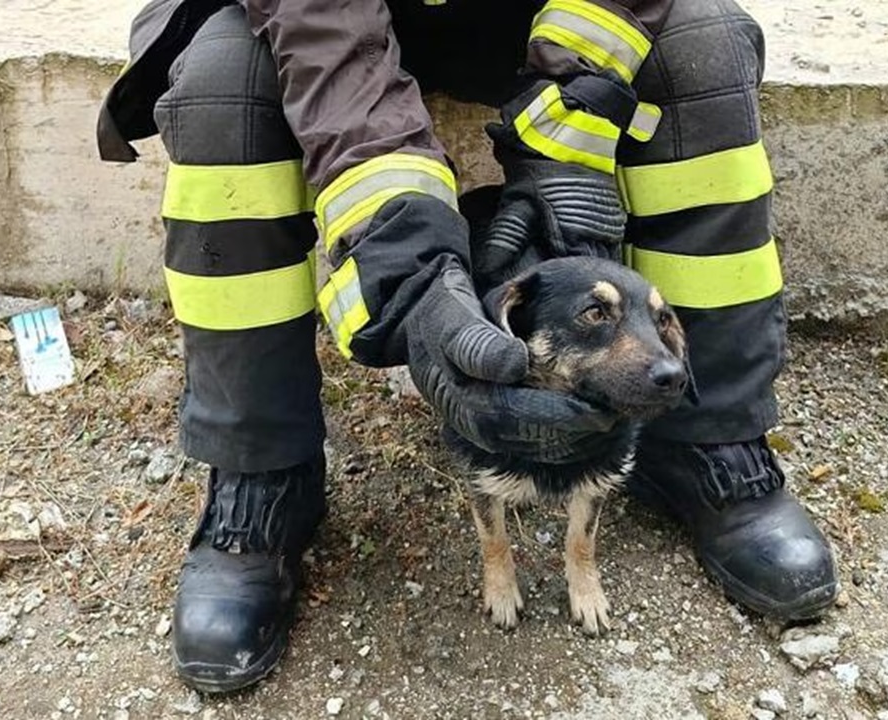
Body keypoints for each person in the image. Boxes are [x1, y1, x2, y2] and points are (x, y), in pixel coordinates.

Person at [98, 0, 839, 694]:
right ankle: (260, 473)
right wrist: (410, 263)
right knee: (222, 85)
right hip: (307, 18)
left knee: (702, 51)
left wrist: (567, 129)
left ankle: (706, 440)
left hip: (537, 13)